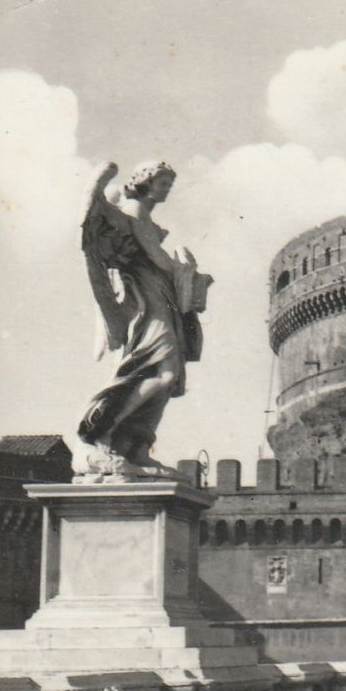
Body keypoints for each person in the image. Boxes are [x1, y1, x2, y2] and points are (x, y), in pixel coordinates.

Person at [77, 160, 212, 480]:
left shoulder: (145, 216)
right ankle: (102, 437)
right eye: (163, 183)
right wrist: (188, 270)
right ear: (146, 183)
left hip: (161, 298)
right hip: (147, 302)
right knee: (162, 373)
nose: (167, 189)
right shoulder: (133, 211)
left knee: (169, 377)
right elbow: (159, 261)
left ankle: (137, 447)